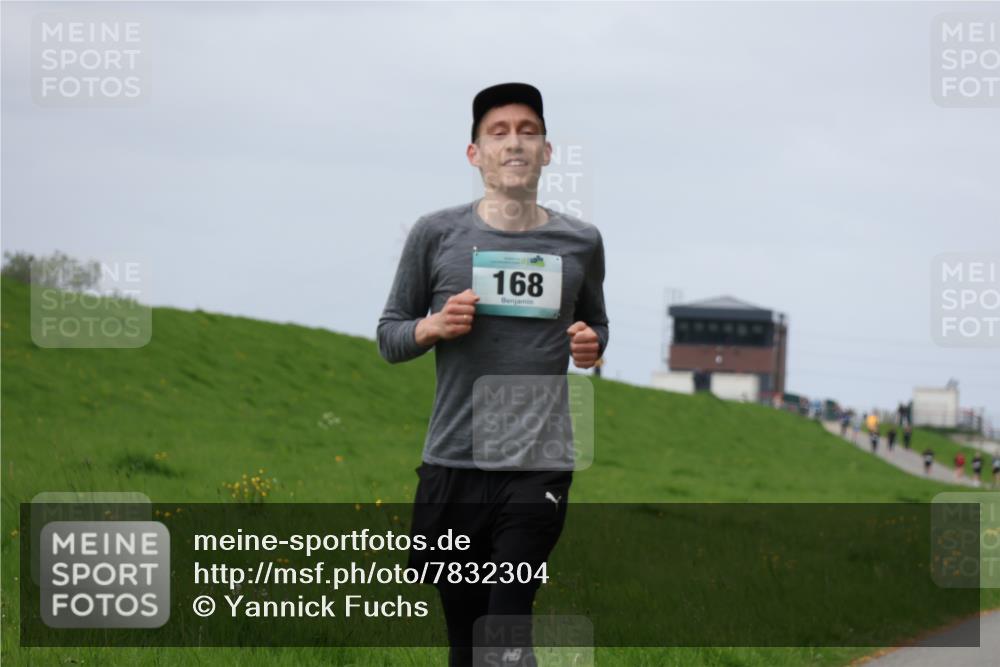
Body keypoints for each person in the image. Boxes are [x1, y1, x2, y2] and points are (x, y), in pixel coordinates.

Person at [377, 82, 609, 667]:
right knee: (466, 638)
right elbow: (390, 334)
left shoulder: (580, 242)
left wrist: (590, 344)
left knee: (504, 631)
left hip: (538, 467)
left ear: (547, 152)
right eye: (498, 132)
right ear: (474, 153)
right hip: (454, 462)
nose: (514, 143)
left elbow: (597, 325)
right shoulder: (436, 234)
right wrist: (431, 328)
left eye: (528, 131)